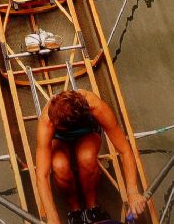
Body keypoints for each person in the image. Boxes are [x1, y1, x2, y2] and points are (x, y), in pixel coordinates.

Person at [35, 89, 147, 224]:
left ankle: (91, 208)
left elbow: (125, 150)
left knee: (86, 158)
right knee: (59, 166)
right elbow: (42, 175)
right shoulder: (48, 120)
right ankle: (75, 210)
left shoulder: (96, 106)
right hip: (59, 140)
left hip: (87, 133)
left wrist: (132, 192)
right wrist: (52, 217)